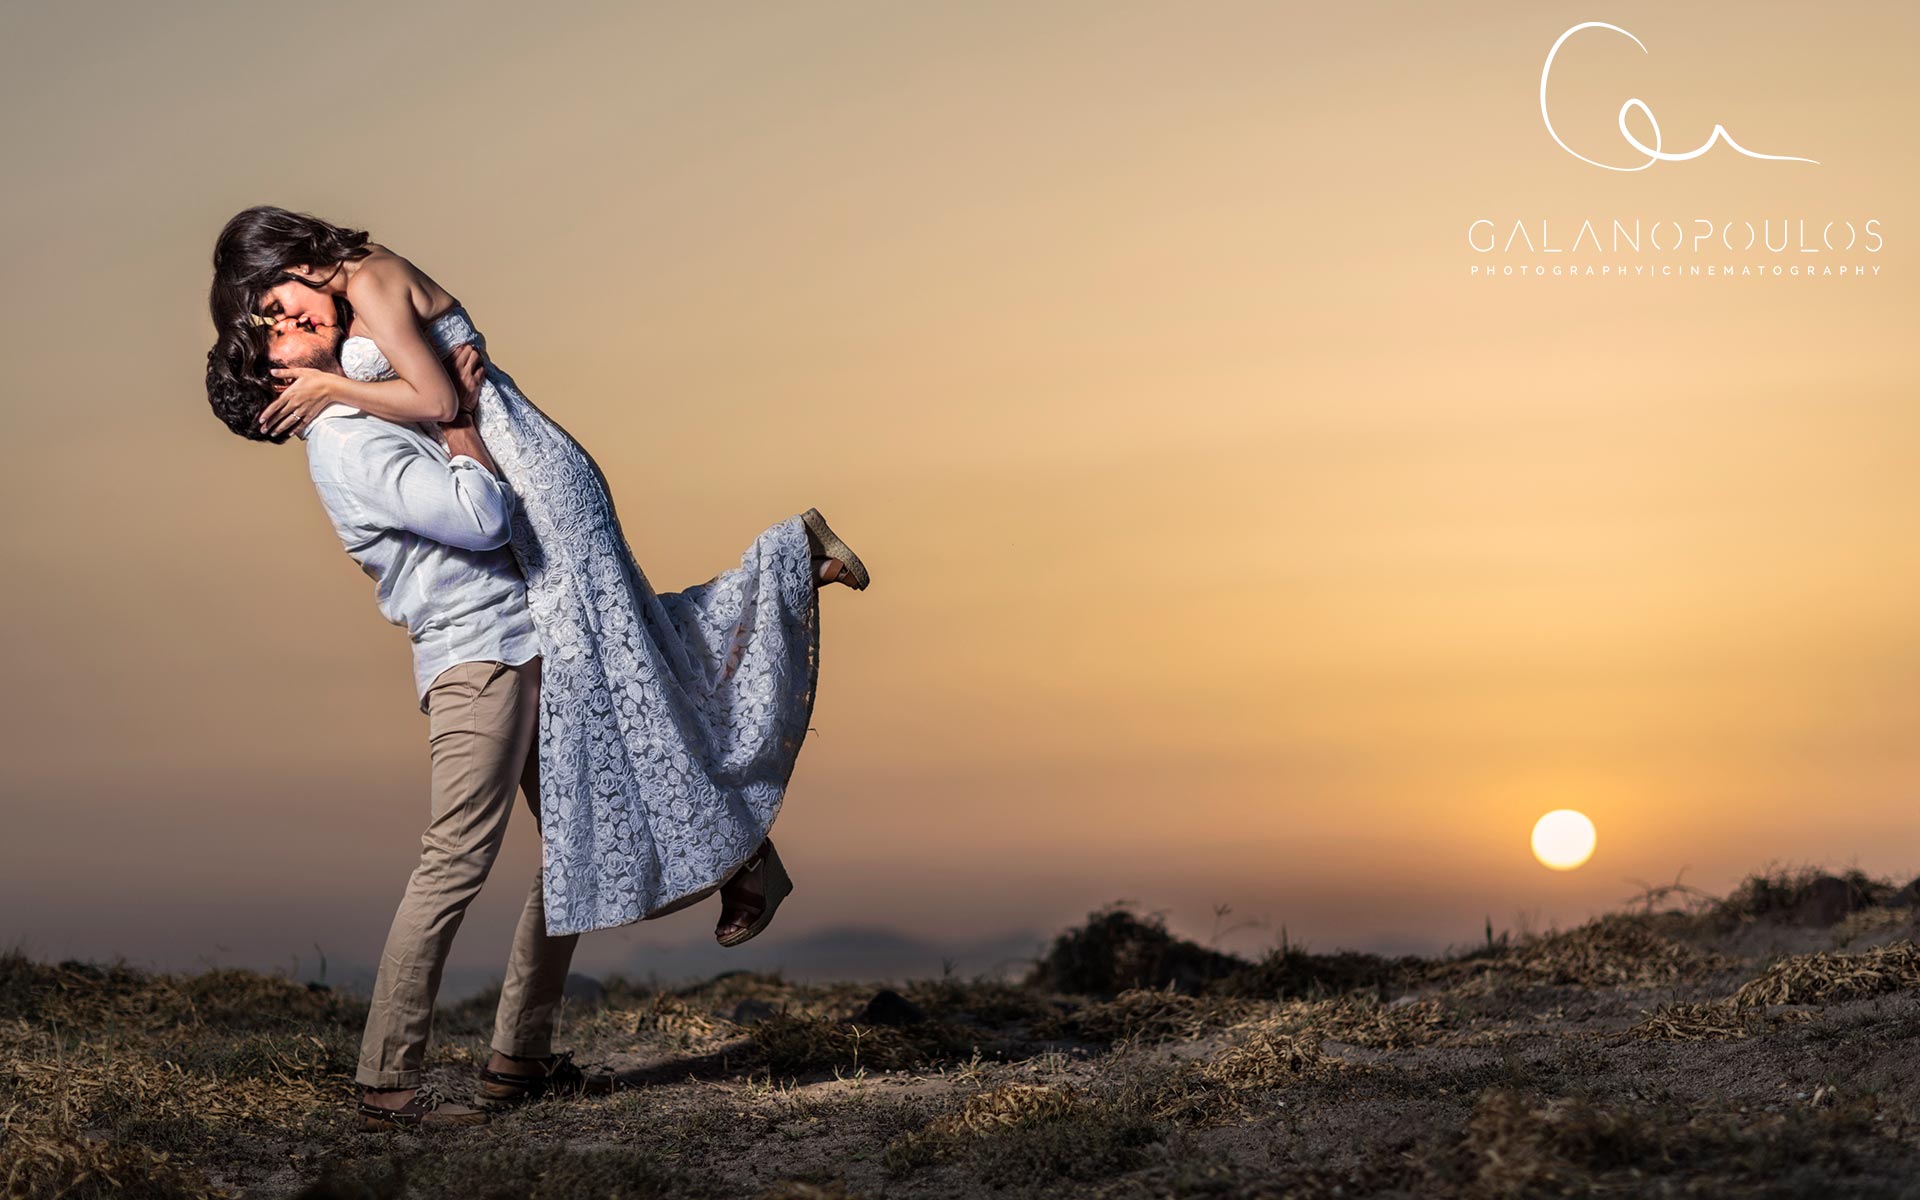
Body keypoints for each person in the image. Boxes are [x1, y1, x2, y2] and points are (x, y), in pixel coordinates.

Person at [205, 206, 871, 948]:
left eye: (271, 304)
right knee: (625, 653)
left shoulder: (372, 280)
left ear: (284, 260)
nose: (279, 324)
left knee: (616, 661)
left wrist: (334, 391)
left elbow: (439, 401)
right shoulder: (350, 294)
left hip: (532, 477)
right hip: (504, 475)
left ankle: (781, 583)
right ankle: (787, 586)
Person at [227, 305, 611, 1127]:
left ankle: (520, 1060)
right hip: (480, 657)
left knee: (577, 846)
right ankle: (385, 1084)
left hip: (517, 636)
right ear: (276, 384)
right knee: (455, 862)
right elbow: (480, 518)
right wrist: (463, 423)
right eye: (272, 336)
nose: (290, 320)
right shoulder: (348, 442)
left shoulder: (365, 415)